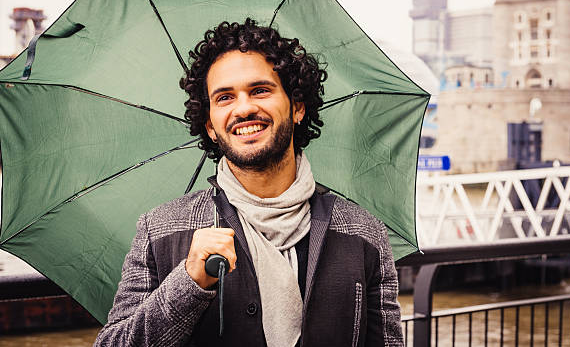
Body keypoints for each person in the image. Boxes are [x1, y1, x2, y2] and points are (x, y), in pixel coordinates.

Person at [94, 19, 402, 346]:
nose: (244, 108)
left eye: (260, 90)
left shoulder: (364, 233)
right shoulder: (159, 231)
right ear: (210, 126)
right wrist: (189, 281)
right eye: (224, 97)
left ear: (297, 107)